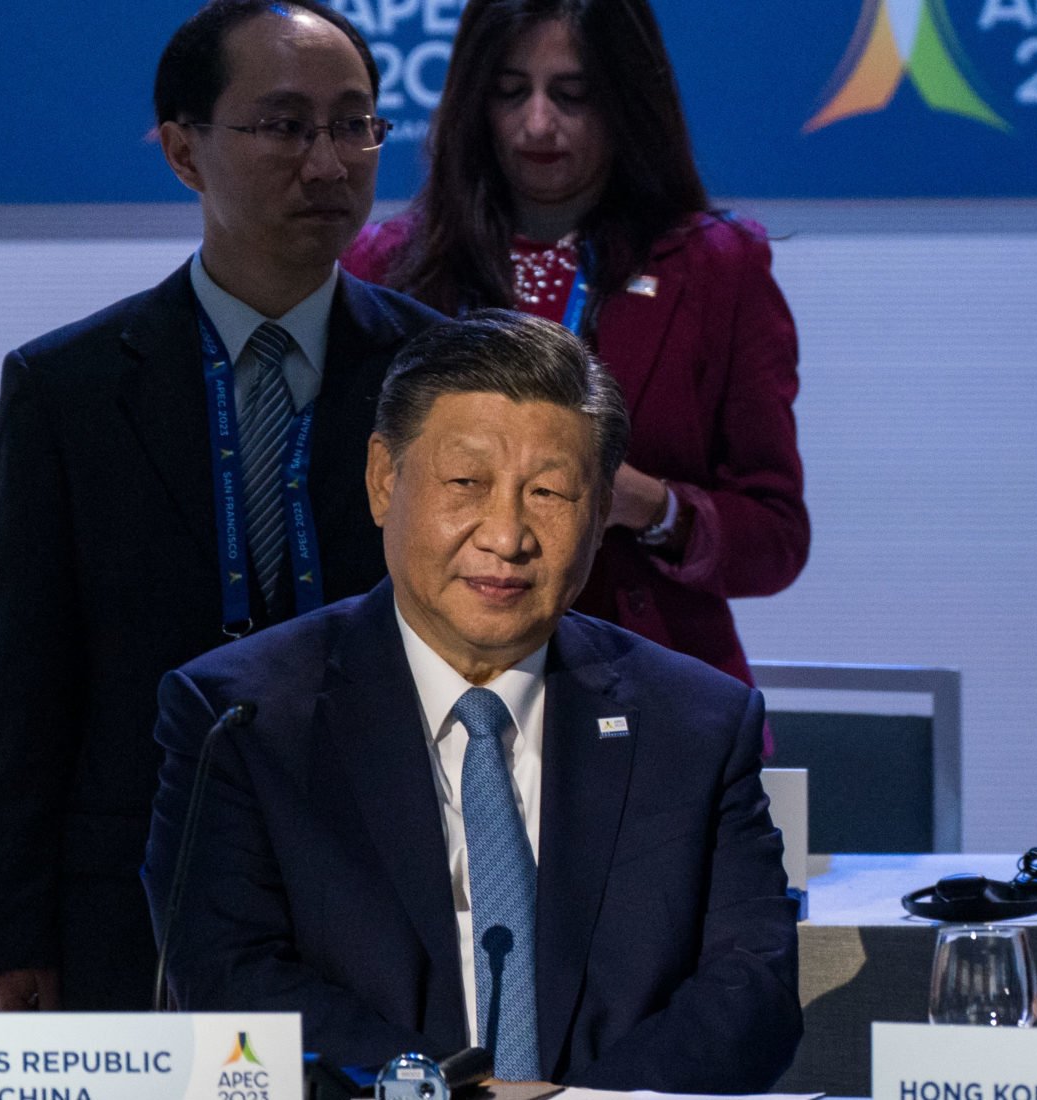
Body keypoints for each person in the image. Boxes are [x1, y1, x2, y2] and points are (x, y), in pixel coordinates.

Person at [143, 310, 799, 1090]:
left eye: (550, 492)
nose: (507, 534)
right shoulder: (241, 718)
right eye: (467, 484)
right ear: (384, 480)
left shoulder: (697, 724)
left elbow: (750, 991)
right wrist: (452, 1095)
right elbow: (228, 974)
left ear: (598, 520)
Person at [0, 0, 441, 1012]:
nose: (328, 162)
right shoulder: (70, 389)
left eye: (353, 123)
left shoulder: (444, 374)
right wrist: (13, 935)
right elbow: (23, 685)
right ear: (185, 151)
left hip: (395, 879)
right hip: (138, 891)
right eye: (283, 126)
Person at [343, 0, 806, 687]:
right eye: (510, 92)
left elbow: (775, 540)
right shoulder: (385, 267)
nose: (537, 123)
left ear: (626, 99)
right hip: (430, 684)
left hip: (649, 687)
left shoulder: (716, 266)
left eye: (572, 95)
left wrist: (649, 507)